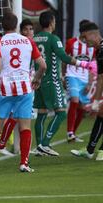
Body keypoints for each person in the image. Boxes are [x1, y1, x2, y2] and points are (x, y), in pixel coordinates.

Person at [0, 12, 47, 173]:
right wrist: (37, 79)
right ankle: (24, 163)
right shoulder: (27, 41)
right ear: (16, 25)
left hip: (6, 90)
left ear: (2, 26)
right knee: (25, 126)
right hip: (25, 89)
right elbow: (43, 65)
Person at [33, 11, 88, 156]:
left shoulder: (35, 38)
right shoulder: (53, 38)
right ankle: (45, 143)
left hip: (38, 80)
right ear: (51, 22)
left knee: (42, 114)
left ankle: (39, 147)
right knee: (61, 113)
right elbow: (64, 57)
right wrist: (83, 64)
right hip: (52, 81)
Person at [0, 19, 35, 152]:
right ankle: (2, 141)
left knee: (16, 116)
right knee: (15, 116)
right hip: (17, 84)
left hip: (27, 84)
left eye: (31, 29)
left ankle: (5, 142)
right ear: (20, 30)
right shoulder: (24, 43)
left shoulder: (29, 43)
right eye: (25, 29)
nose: (28, 32)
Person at [71, 22, 103, 161]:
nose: (84, 41)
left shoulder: (101, 50)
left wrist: (95, 101)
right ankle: (92, 150)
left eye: (85, 37)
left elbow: (101, 78)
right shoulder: (98, 50)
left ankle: (93, 150)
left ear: (93, 35)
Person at [63, 19, 95, 143]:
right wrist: (64, 76)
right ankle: (69, 132)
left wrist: (90, 82)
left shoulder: (92, 46)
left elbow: (93, 65)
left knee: (82, 108)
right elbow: (65, 59)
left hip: (85, 78)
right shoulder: (71, 43)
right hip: (72, 76)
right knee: (74, 100)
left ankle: (73, 134)